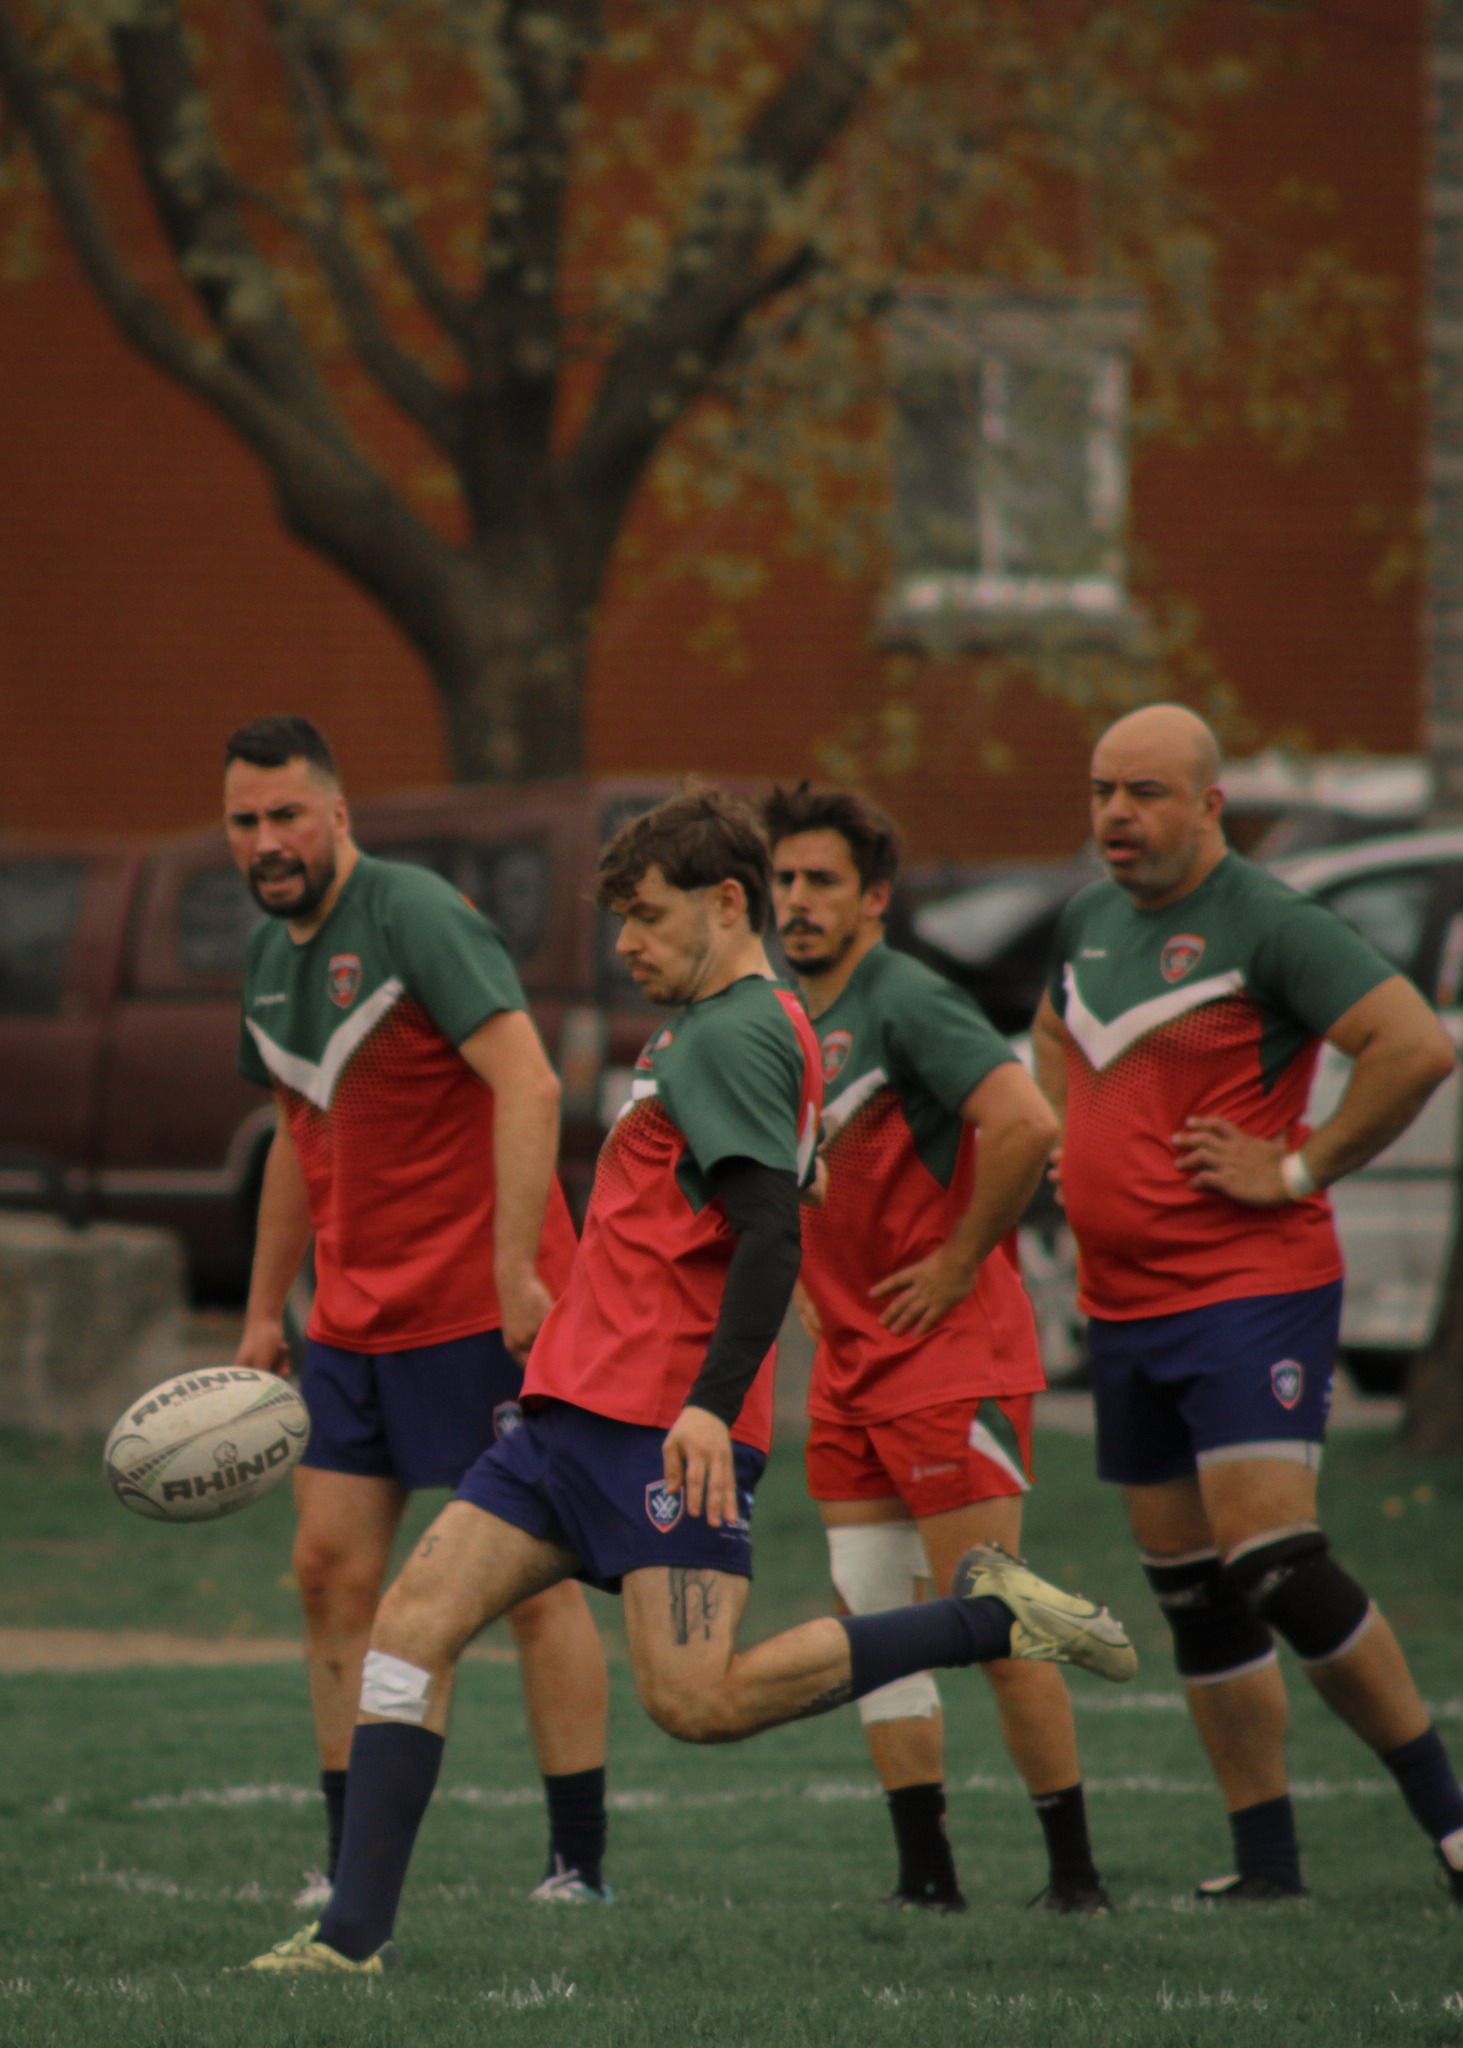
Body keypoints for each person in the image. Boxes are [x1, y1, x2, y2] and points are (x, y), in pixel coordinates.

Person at [238, 787, 1137, 1976]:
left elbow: (768, 1234)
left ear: (726, 903)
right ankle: (350, 1938)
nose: (625, 943)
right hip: (567, 1412)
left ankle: (991, 1613)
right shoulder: (712, 1022)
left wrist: (710, 1406)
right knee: (411, 1623)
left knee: (695, 1700)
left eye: (646, 916)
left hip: (657, 1428)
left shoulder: (737, 1031)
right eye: (618, 918)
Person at [1031, 701, 1463, 1903]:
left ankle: (1449, 1820)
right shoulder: (1083, 915)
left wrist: (1295, 1164)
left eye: (1146, 792)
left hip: (1246, 1289)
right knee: (1192, 1593)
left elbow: (1413, 1044)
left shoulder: (1266, 918)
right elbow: (1046, 1038)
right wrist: (1059, 1138)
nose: (1116, 813)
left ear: (1210, 805)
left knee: (1271, 1557)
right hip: (1122, 1305)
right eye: (1102, 789)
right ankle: (1266, 1864)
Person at [225, 715, 613, 1907]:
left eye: (288, 813)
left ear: (338, 813)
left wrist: (515, 1273)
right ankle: (350, 1860)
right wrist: (260, 1313)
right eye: (245, 819)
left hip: (475, 1316)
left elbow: (530, 1080)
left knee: (526, 1585)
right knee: (329, 1575)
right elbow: (299, 1135)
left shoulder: (415, 915)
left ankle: (575, 1867)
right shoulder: (267, 956)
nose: (267, 839)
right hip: (348, 1323)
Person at [766, 783, 1111, 1915]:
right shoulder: (783, 1018)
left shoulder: (905, 997)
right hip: (853, 1369)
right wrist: (804, 1283)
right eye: (783, 880)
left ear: (873, 897)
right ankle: (927, 1877)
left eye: (822, 881)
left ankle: (1074, 1875)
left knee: (993, 1615)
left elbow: (1023, 1120)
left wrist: (964, 1257)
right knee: (874, 1617)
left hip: (947, 1359)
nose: (797, 901)